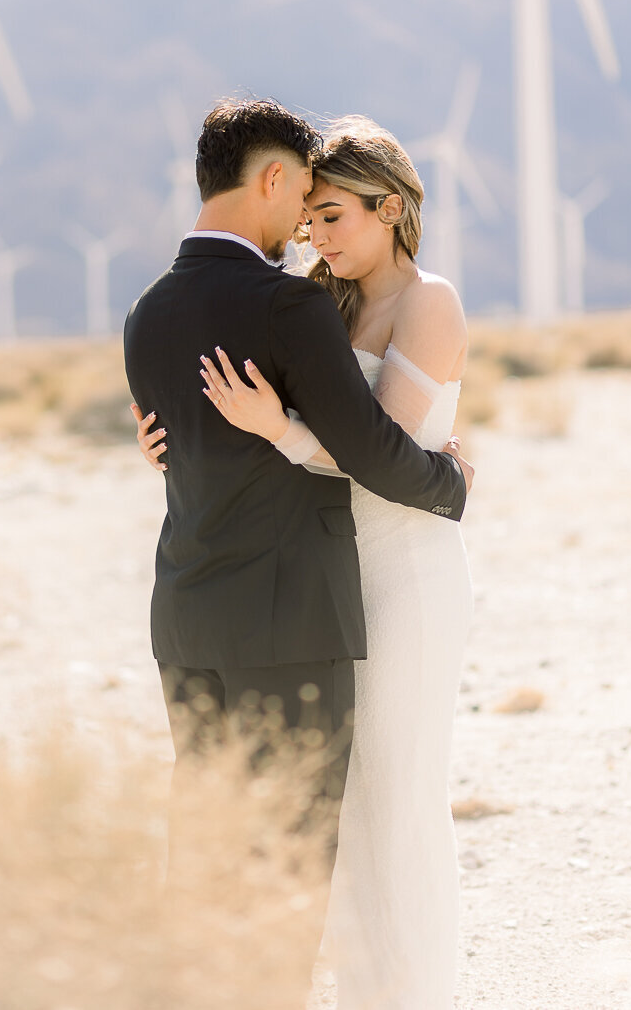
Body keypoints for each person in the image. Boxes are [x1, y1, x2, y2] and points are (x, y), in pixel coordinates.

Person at [124, 97, 472, 997]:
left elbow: (204, 445)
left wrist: (253, 432)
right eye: (307, 209)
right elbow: (376, 454)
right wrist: (454, 483)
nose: (312, 232)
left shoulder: (148, 313)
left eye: (333, 213)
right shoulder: (296, 305)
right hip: (302, 614)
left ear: (388, 208)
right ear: (274, 182)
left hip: (227, 608)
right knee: (300, 842)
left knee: (251, 828)